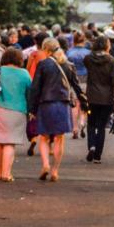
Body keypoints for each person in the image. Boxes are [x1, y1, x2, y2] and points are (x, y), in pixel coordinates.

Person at [29, 39, 83, 182]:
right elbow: (77, 87)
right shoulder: (69, 65)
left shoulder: (43, 65)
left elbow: (35, 88)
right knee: (59, 139)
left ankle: (45, 165)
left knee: (44, 137)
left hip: (45, 104)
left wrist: (31, 109)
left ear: (46, 50)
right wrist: (84, 103)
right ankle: (54, 171)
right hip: (63, 105)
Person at [0, 46, 32, 181]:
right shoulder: (24, 73)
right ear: (19, 59)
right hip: (17, 110)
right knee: (10, 142)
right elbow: (31, 90)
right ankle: (6, 174)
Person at [84, 35, 114, 164]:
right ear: (107, 46)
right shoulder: (112, 61)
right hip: (106, 97)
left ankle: (91, 146)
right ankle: (97, 156)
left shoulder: (88, 59)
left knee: (91, 123)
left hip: (91, 96)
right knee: (101, 126)